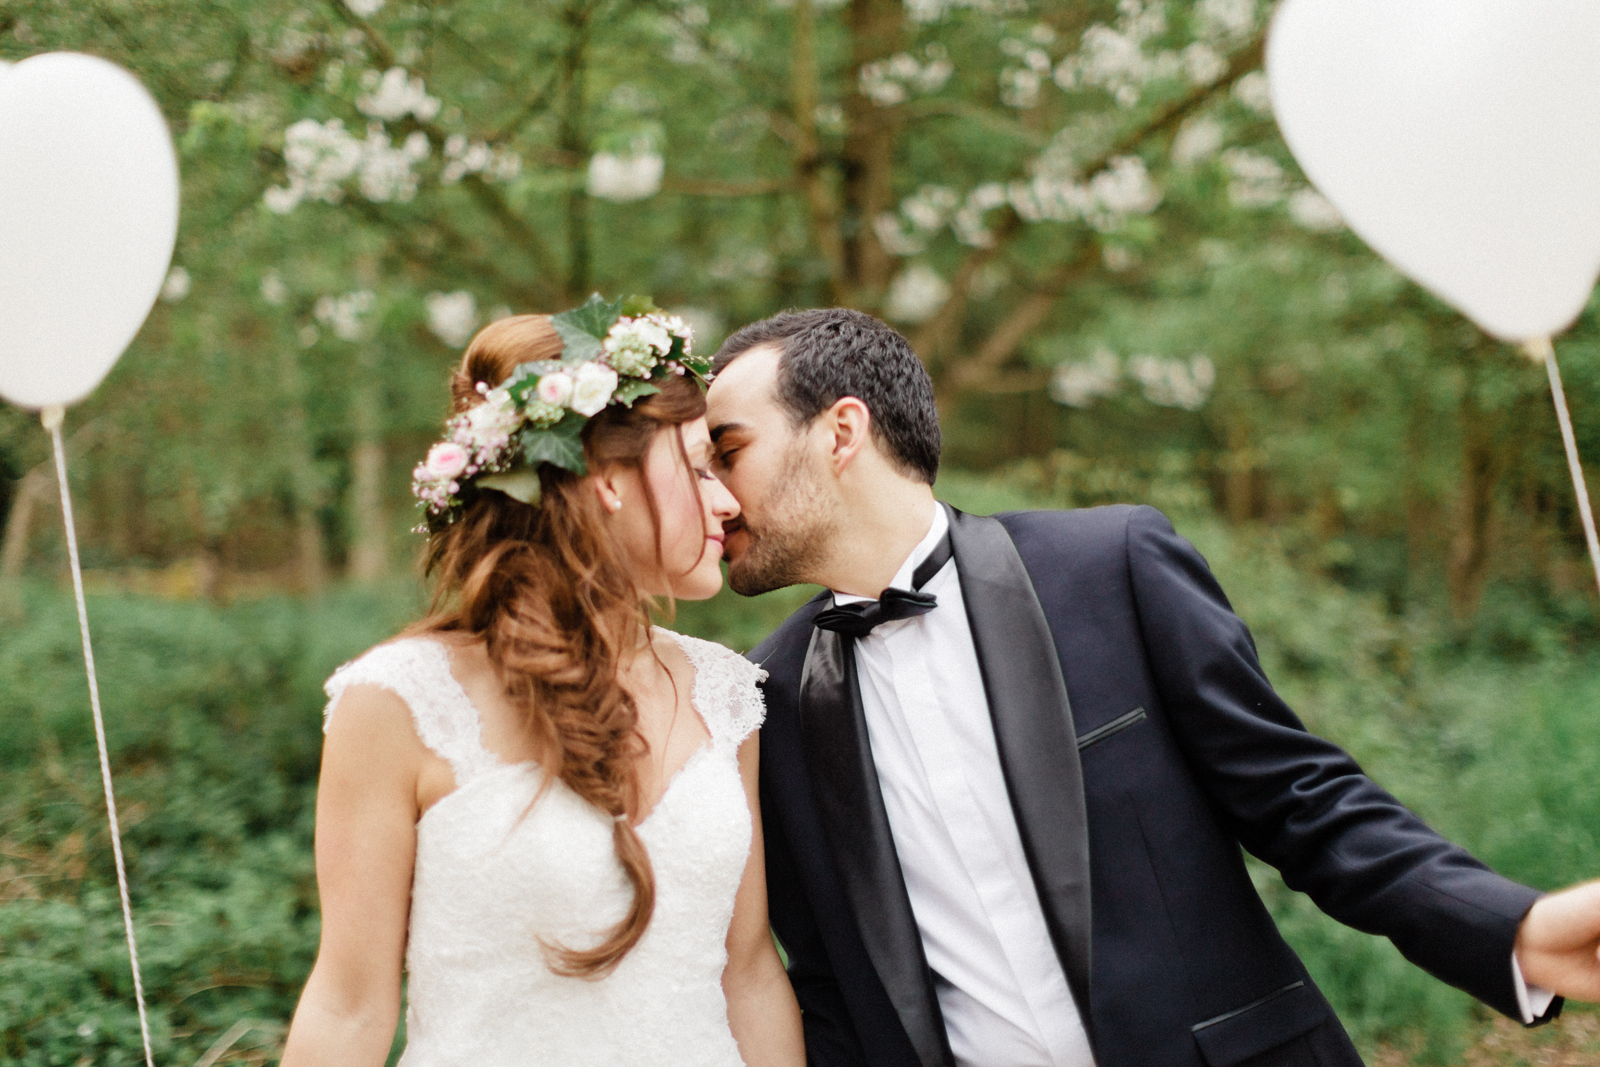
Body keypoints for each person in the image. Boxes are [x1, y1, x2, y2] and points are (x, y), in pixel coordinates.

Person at [703, 307, 1600, 1067]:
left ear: (843, 432)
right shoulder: (762, 701)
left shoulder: (1111, 568)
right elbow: (828, 992)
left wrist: (1512, 928)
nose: (714, 495)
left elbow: (1304, 800)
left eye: (728, 451)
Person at [281, 304, 804, 1067]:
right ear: (603, 476)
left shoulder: (727, 697)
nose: (728, 500)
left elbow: (749, 973)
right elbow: (348, 1006)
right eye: (697, 465)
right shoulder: (397, 703)